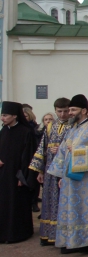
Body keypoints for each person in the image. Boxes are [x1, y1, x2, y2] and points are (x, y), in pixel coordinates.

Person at [48, 95, 88, 255]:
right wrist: (61, 176)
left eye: (73, 109)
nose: (70, 113)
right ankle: (75, 240)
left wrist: (78, 152)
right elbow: (63, 153)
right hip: (70, 179)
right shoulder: (72, 129)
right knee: (74, 209)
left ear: (83, 110)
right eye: (69, 109)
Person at [29, 97, 72, 246]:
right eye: (59, 111)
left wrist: (61, 148)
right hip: (49, 169)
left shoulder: (73, 126)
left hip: (65, 168)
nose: (63, 114)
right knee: (49, 201)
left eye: (66, 111)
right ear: (55, 111)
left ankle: (63, 235)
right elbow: (42, 148)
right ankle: (49, 234)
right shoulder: (50, 126)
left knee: (62, 201)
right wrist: (40, 170)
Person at [0, 102, 39, 244]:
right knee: (4, 203)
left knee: (17, 204)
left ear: (15, 116)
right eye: (2, 115)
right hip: (3, 175)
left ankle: (18, 233)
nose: (2, 118)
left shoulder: (26, 132)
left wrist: (23, 176)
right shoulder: (3, 131)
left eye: (5, 115)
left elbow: (28, 156)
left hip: (17, 175)